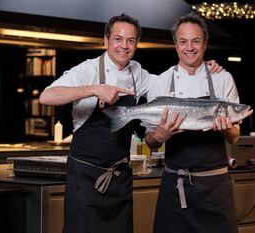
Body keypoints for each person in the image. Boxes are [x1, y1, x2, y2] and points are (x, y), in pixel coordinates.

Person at [39, 13, 223, 233]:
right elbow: (47, 97)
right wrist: (94, 89)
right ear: (106, 40)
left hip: (120, 176)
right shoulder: (86, 70)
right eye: (118, 39)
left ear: (136, 44)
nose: (124, 46)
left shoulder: (138, 73)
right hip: (85, 177)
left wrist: (204, 69)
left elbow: (173, 82)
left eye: (130, 41)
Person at [145, 12, 241, 233]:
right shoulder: (160, 82)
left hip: (214, 187)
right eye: (183, 41)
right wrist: (159, 136)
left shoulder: (222, 79)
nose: (190, 47)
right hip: (175, 185)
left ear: (205, 44)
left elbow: (235, 136)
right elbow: (150, 141)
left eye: (196, 41)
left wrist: (226, 128)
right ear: (176, 45)